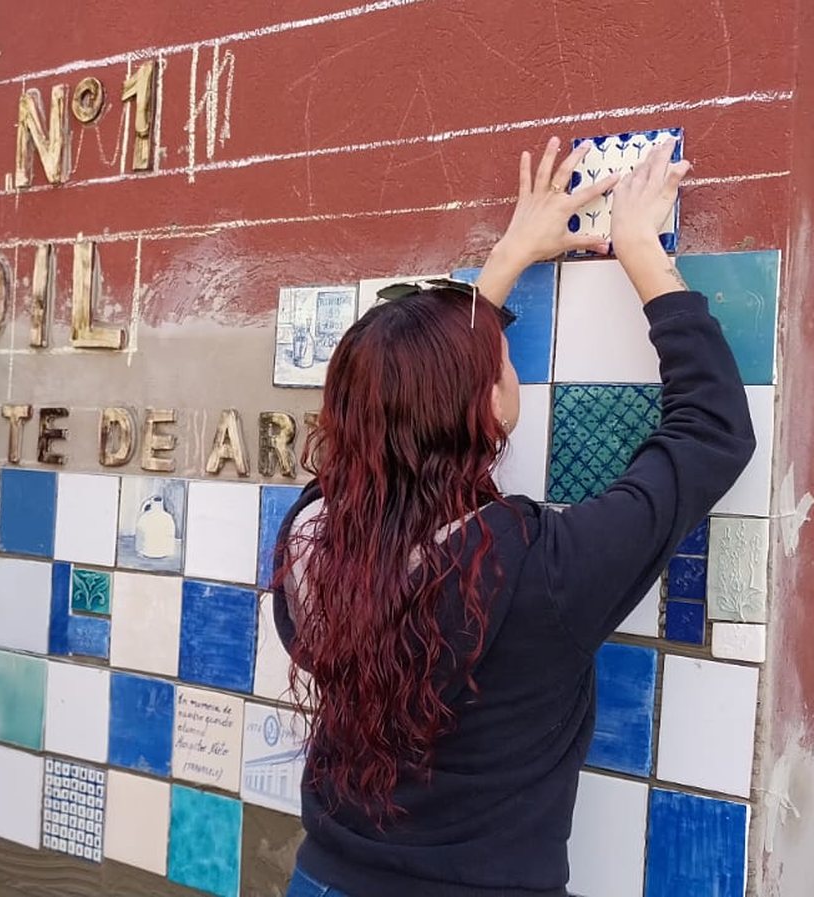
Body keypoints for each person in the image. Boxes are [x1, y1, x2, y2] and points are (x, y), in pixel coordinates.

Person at [273, 138, 755, 897]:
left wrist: (502, 262)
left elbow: (391, 413)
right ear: (487, 409)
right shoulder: (538, 571)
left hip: (324, 878)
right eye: (498, 361)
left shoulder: (311, 541)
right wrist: (643, 256)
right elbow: (711, 433)